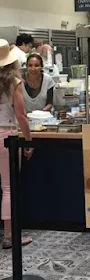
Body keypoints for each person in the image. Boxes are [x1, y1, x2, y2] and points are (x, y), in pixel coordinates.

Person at [0, 39, 33, 249]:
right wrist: (28, 141)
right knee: (8, 188)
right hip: (7, 136)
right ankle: (10, 236)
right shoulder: (14, 83)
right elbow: (21, 115)